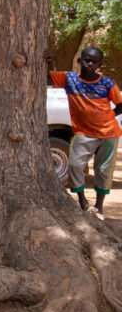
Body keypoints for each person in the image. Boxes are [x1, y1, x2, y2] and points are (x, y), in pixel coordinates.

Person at [46, 47, 122, 220]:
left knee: (102, 171)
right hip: (84, 132)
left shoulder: (107, 83)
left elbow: (120, 104)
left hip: (108, 133)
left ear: (99, 64)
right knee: (74, 166)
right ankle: (82, 202)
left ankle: (99, 207)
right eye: (86, 60)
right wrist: (48, 61)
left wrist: (106, 118)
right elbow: (47, 77)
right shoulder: (69, 79)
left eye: (94, 61)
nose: (89, 64)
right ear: (80, 61)